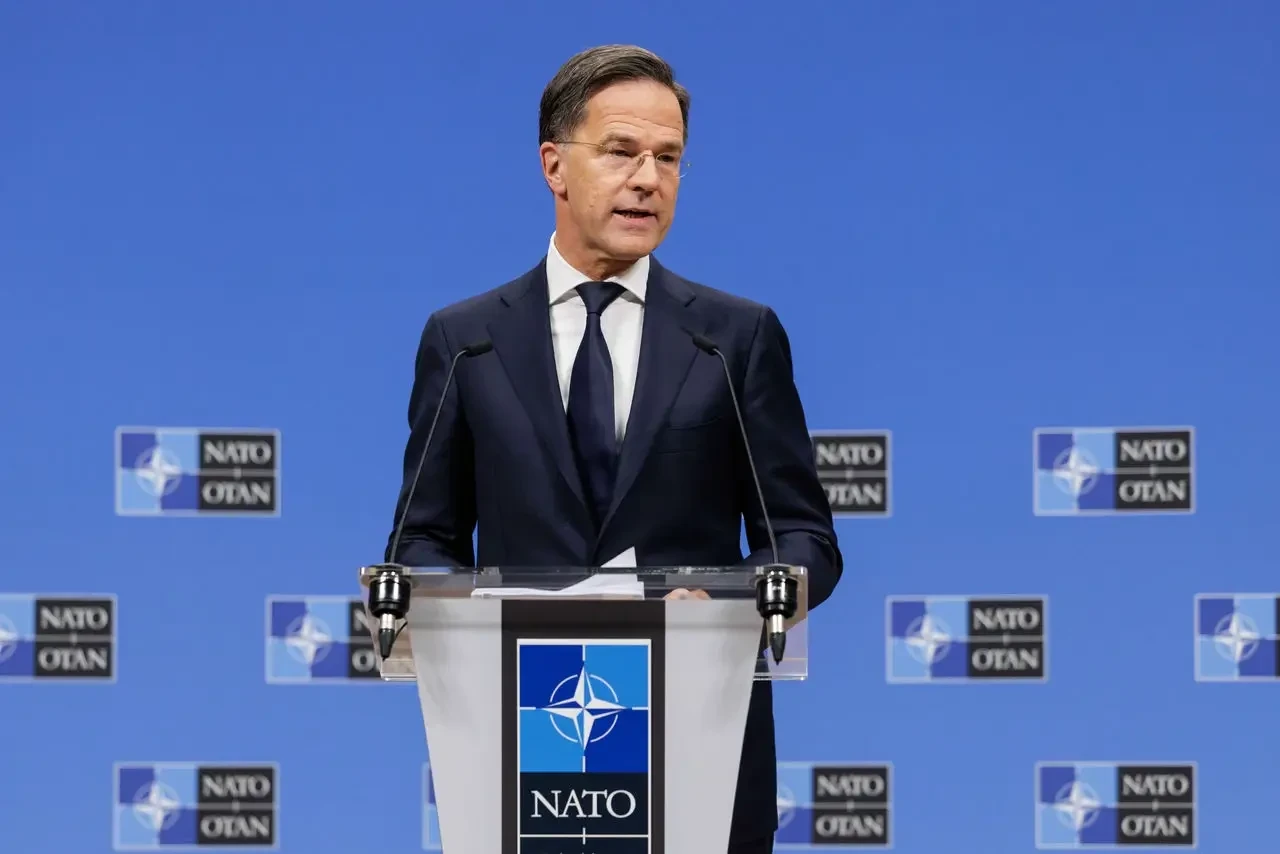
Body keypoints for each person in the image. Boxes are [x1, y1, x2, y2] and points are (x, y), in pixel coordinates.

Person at [385, 44, 843, 854]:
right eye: (622, 152)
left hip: (697, 742)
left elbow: (803, 537)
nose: (648, 179)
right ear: (554, 166)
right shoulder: (465, 342)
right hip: (525, 734)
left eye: (668, 158)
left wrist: (736, 602)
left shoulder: (735, 339)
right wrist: (458, 608)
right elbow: (422, 538)